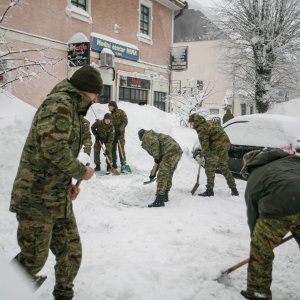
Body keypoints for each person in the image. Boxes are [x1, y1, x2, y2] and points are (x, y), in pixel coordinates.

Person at [10, 65, 103, 300]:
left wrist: (68, 183)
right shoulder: (60, 104)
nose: (96, 99)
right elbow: (53, 148)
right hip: (36, 198)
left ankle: (64, 295)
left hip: (56, 196)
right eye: (96, 94)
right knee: (32, 259)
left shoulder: (72, 108)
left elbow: (56, 155)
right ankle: (6, 289)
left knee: (71, 251)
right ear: (87, 91)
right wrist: (81, 172)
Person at [240, 148, 300, 300]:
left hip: (279, 206)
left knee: (261, 251)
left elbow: (252, 213)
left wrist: (258, 241)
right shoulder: (292, 160)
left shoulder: (256, 175)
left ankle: (258, 292)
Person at [188, 113, 239, 197]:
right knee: (224, 167)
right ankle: (234, 189)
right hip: (225, 145)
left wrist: (202, 153)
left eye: (191, 123)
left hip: (217, 147)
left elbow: (205, 144)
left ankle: (209, 190)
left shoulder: (201, 128)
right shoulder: (208, 123)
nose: (191, 125)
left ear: (195, 121)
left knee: (209, 168)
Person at [138, 129, 183, 207]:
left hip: (170, 151)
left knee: (162, 174)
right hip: (175, 151)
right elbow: (158, 160)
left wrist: (156, 156)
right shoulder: (154, 135)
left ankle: (159, 200)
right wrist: (153, 173)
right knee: (168, 173)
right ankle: (164, 195)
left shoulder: (147, 136)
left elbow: (155, 145)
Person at [108, 101, 128, 172]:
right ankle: (114, 163)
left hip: (120, 134)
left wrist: (120, 130)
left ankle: (123, 164)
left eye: (109, 107)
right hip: (113, 134)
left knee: (121, 149)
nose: (109, 108)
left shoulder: (121, 112)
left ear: (113, 106)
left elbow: (125, 121)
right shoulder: (110, 115)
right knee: (113, 149)